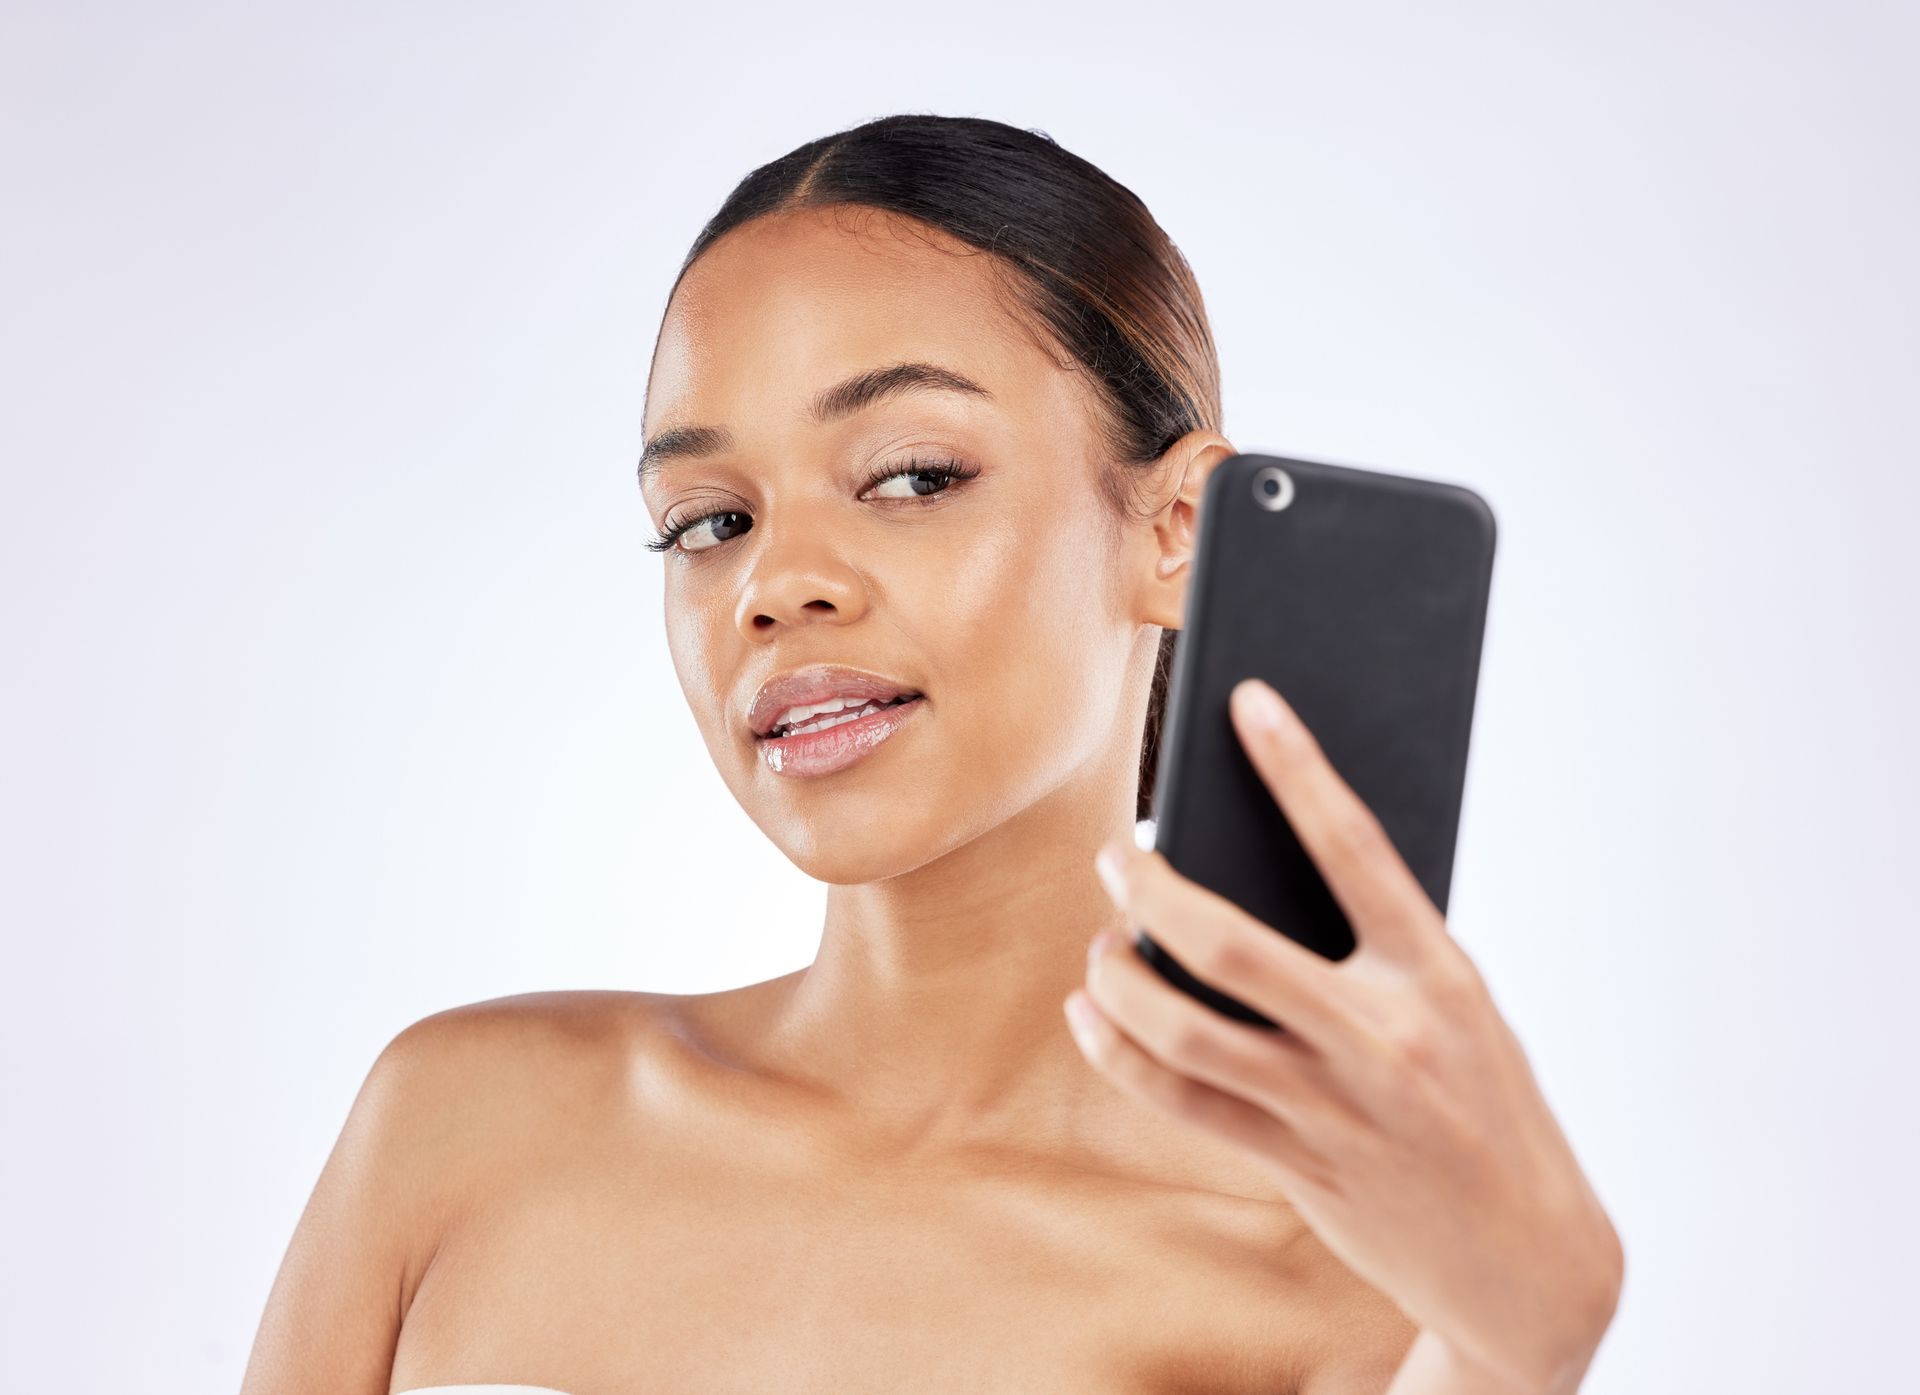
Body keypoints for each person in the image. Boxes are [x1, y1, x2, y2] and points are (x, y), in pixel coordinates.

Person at [242, 113, 1622, 1395]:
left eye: (911, 476)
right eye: (708, 521)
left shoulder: (1344, 1292)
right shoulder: (462, 1129)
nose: (775, 584)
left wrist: (1519, 1352)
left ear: (1178, 531)